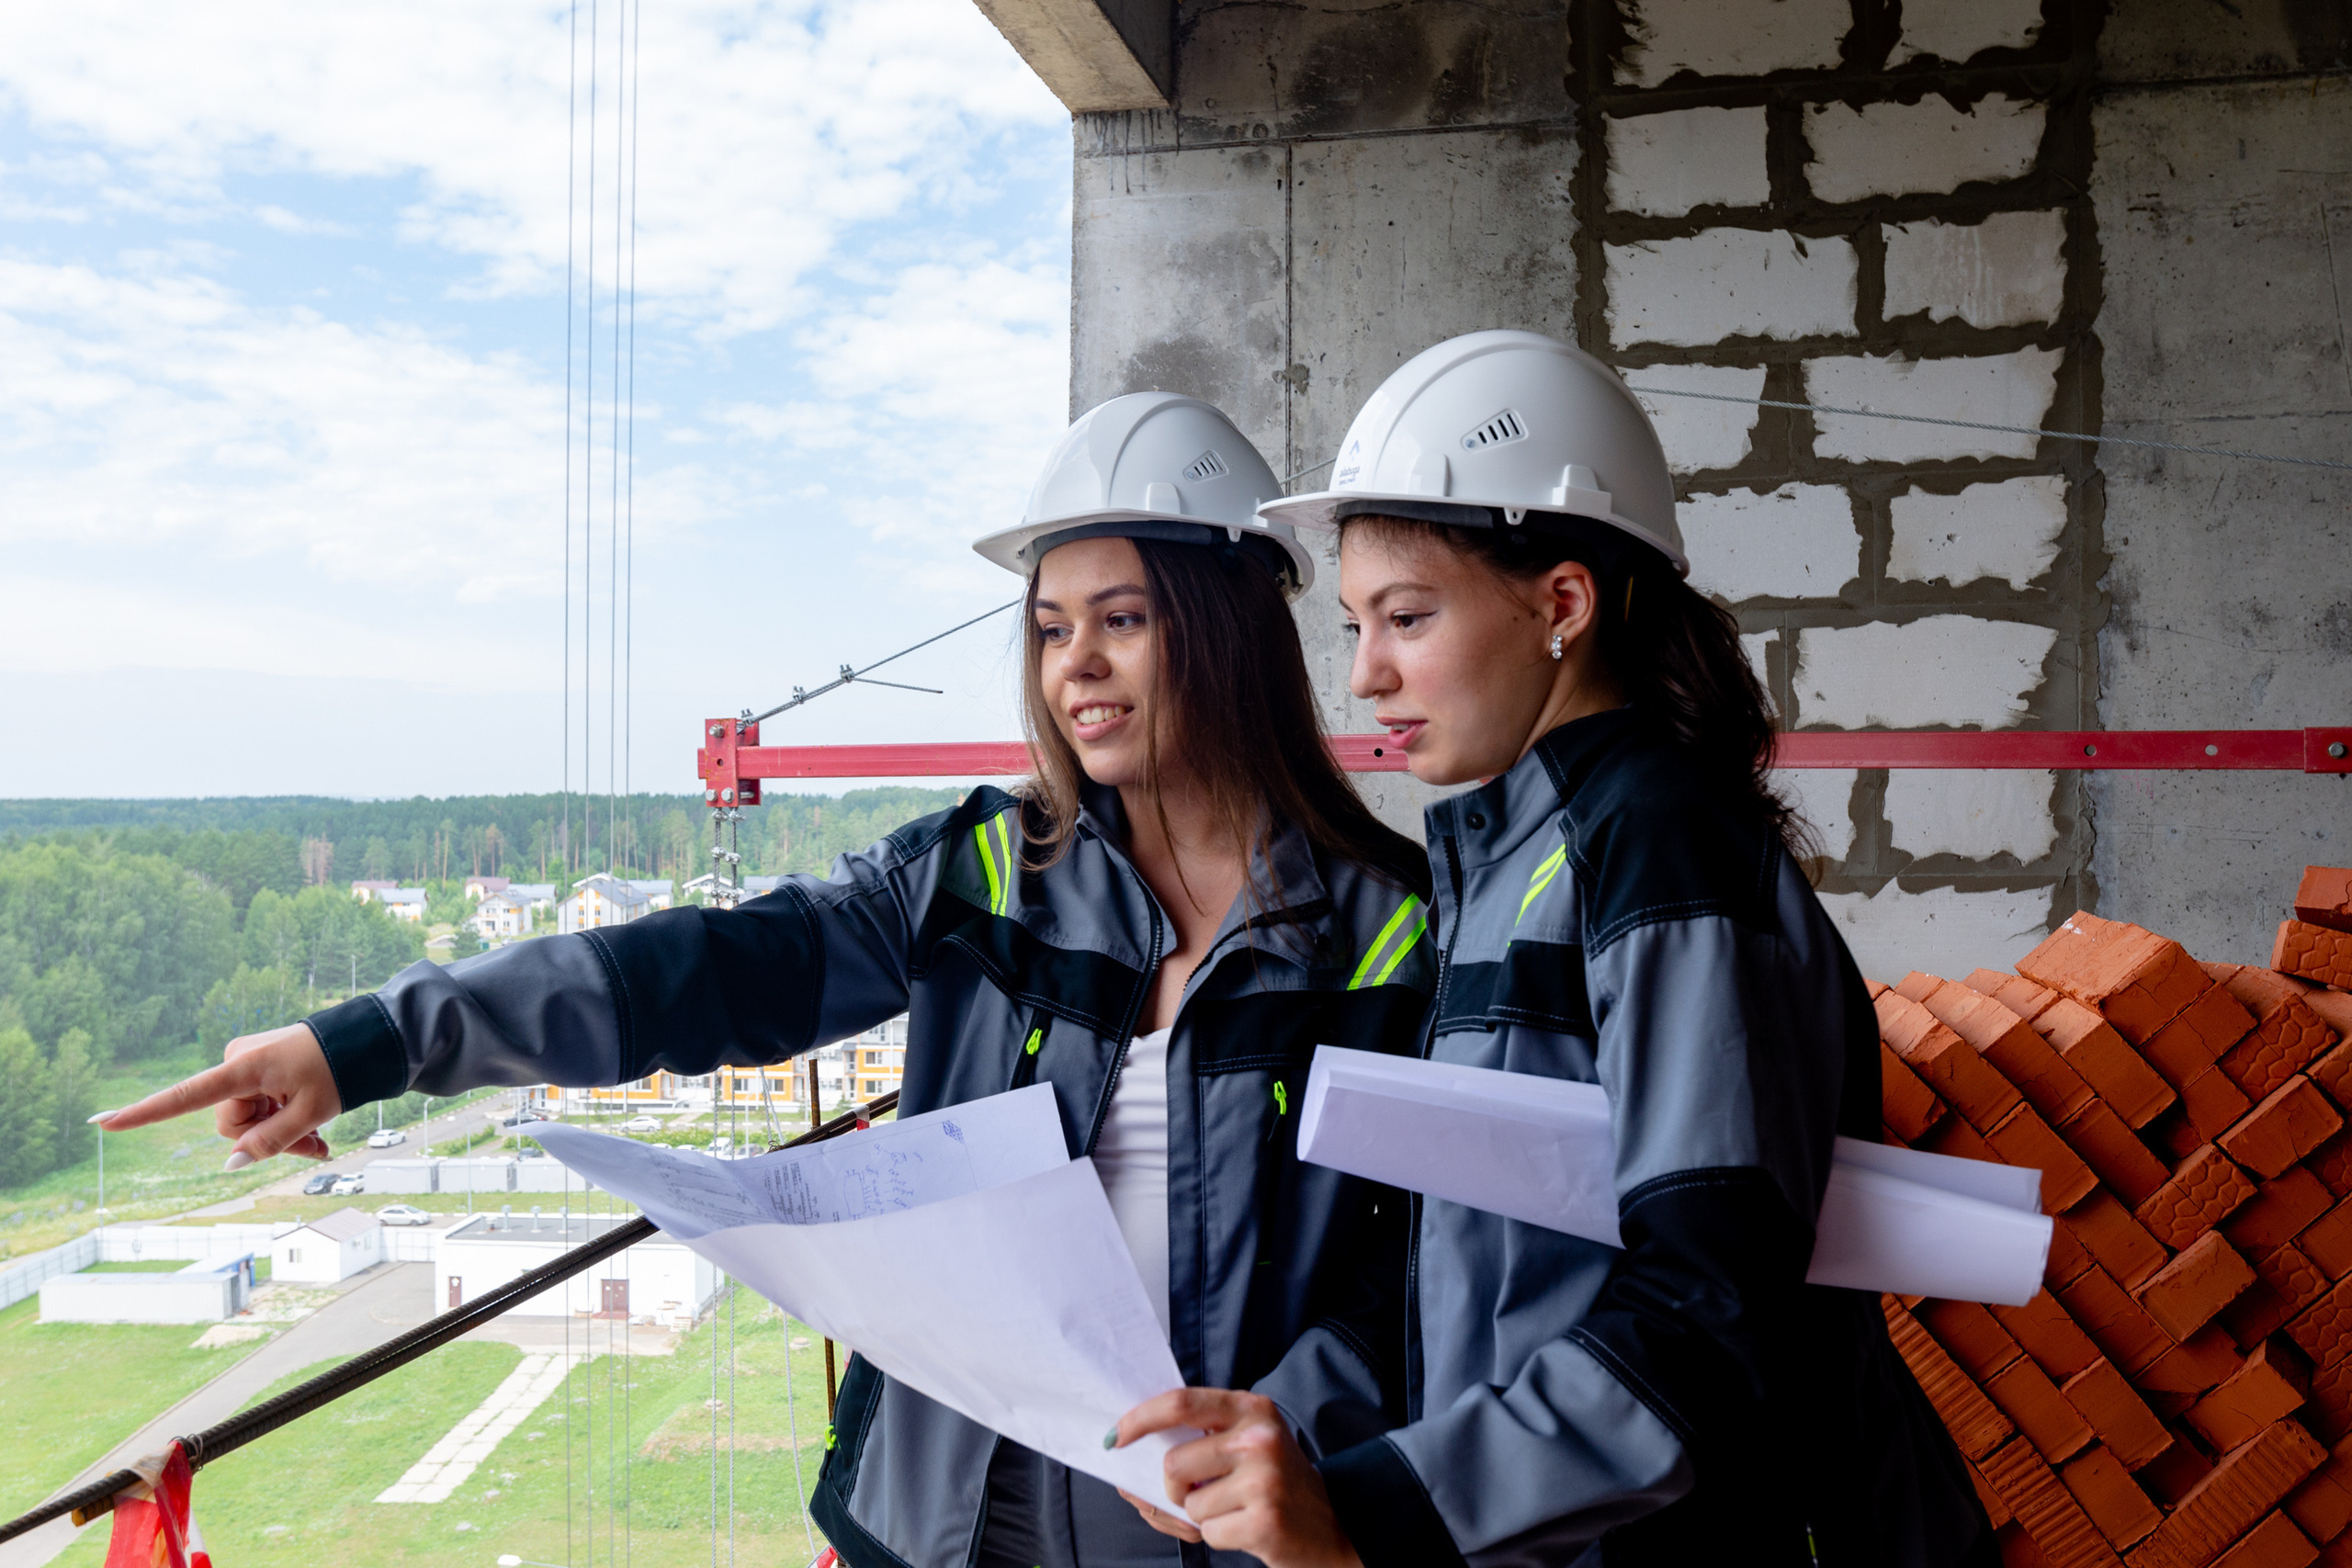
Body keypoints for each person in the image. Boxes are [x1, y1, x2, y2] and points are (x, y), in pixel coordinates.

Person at [99, 392, 1437, 1568]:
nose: (1073, 665)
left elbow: (1427, 1275)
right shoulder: (979, 873)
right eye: (1048, 628)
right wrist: (377, 1043)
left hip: (1208, 1530)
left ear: (1225, 625)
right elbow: (707, 971)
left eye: (1123, 621)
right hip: (941, 1513)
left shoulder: (1391, 939)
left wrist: (1297, 1432)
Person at [1110, 332, 1993, 1568]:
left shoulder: (1657, 847)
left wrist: (1380, 1508)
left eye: (1406, 616)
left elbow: (1709, 1308)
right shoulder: (1509, 865)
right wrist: (1286, 1426)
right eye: (1359, 622)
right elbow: (1454, 1265)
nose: (1365, 674)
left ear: (1560, 605)